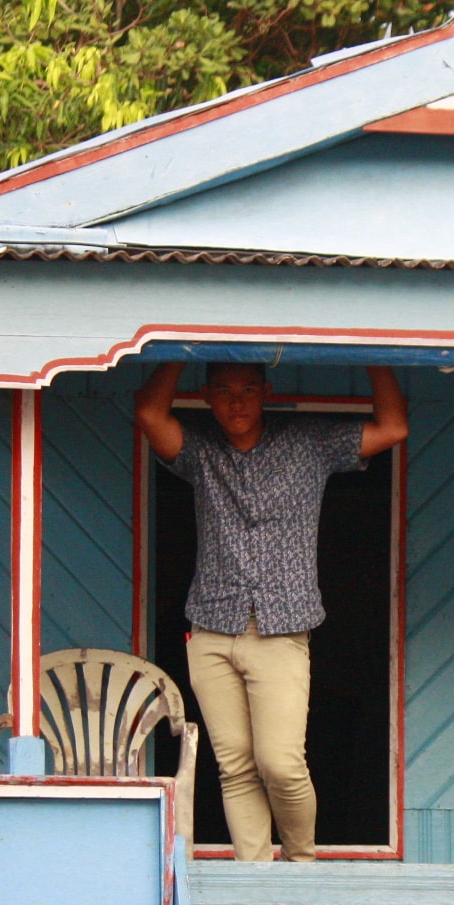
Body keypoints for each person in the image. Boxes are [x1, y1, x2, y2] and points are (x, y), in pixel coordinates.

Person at [134, 361, 409, 862]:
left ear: (266, 392)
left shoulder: (309, 442)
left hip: (282, 630)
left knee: (280, 763)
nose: (236, 402)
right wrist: (176, 348)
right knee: (235, 767)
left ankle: (301, 866)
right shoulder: (200, 451)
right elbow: (150, 414)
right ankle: (254, 879)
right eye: (223, 392)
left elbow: (393, 428)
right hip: (211, 628)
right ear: (207, 396)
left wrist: (375, 356)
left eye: (246, 391)